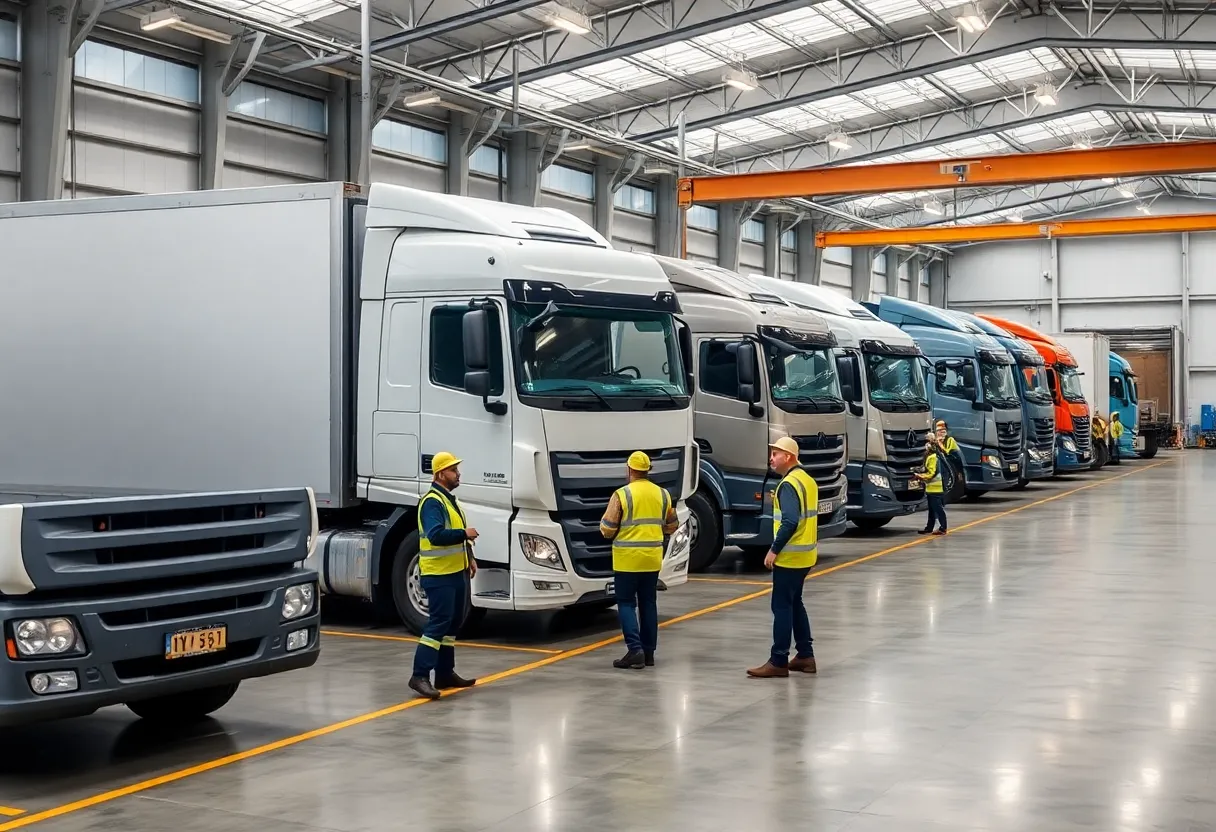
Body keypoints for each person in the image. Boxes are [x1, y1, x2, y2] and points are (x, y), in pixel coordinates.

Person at [408, 451, 479, 700]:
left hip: (455, 571)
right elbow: (436, 535)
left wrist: (469, 556)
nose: (458, 474)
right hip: (438, 575)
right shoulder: (432, 502)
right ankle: (419, 676)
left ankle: (445, 673)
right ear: (440, 474)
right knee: (438, 624)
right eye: (453, 470)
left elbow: (456, 533)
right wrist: (465, 534)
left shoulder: (449, 500)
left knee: (451, 624)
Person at [747, 436, 819, 679]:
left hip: (789, 557)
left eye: (775, 454)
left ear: (788, 457)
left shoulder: (788, 485)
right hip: (806, 556)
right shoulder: (807, 480)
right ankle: (805, 656)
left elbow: (789, 520)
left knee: (781, 606)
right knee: (794, 602)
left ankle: (778, 660)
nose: (771, 458)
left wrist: (774, 549)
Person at [600, 451, 678, 670]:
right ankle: (649, 653)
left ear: (630, 469)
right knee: (648, 603)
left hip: (627, 560)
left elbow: (607, 529)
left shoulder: (622, 495)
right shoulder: (662, 494)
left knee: (626, 603)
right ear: (647, 470)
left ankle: (635, 650)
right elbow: (672, 525)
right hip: (652, 559)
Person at [916, 434, 948, 536]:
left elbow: (931, 473)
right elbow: (926, 469)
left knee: (938, 509)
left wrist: (920, 476)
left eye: (927, 442)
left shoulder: (933, 457)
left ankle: (943, 528)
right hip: (931, 489)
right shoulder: (930, 456)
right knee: (932, 510)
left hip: (936, 489)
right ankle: (929, 528)